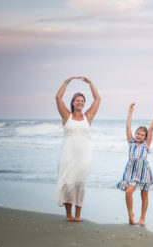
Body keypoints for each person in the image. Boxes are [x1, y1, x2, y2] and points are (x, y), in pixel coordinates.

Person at [54, 76, 101, 222]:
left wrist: (91, 83)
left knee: (80, 184)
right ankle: (69, 215)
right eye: (77, 100)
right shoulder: (66, 115)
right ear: (73, 103)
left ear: (84, 103)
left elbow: (98, 99)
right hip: (67, 154)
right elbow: (57, 97)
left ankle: (78, 215)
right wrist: (66, 82)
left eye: (82, 101)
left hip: (84, 156)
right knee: (68, 183)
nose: (80, 102)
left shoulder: (88, 116)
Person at [117, 103, 153, 226]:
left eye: (142, 135)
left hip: (143, 172)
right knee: (128, 192)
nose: (139, 136)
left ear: (145, 137)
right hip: (131, 172)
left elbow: (151, 128)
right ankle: (131, 214)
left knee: (144, 194)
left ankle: (142, 218)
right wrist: (130, 112)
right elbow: (128, 126)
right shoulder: (131, 142)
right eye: (138, 134)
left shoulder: (146, 145)